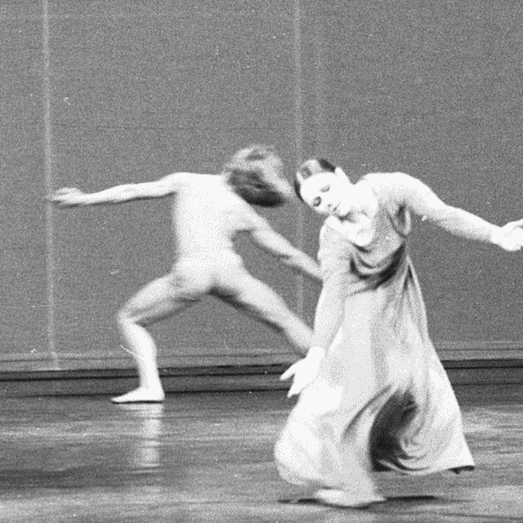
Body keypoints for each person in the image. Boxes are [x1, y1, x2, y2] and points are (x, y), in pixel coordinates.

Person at [275, 158, 523, 507]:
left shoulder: (392, 188)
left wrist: (493, 233)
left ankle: (371, 467)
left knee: (410, 383)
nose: (328, 201)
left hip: (398, 299)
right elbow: (333, 295)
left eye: (326, 189)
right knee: (366, 389)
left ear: (341, 176)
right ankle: (352, 485)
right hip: (359, 308)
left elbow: (445, 214)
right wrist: (316, 354)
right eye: (317, 203)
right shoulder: (334, 238)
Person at [49, 146, 323, 403]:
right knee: (285, 320)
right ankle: (338, 375)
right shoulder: (244, 211)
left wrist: (84, 199)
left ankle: (150, 387)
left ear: (232, 165)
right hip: (230, 273)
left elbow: (131, 190)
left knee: (129, 318)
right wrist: (329, 279)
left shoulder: (187, 181)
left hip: (193, 273)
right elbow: (288, 255)